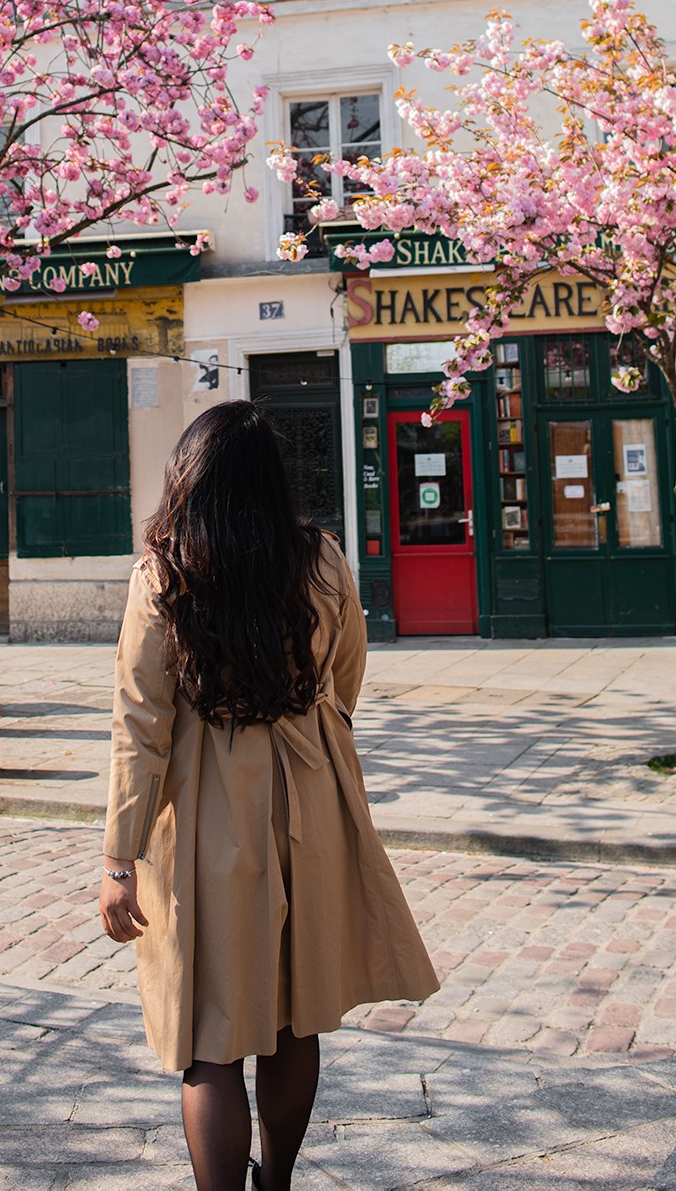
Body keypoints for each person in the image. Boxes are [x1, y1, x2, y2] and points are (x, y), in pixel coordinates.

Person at [99, 402, 438, 1191]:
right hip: (309, 801)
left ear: (190, 477)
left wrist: (119, 858)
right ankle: (275, 1182)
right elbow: (346, 677)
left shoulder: (165, 574)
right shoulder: (319, 559)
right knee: (294, 1016)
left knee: (207, 1034)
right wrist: (311, 737)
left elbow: (139, 724)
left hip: (207, 810)